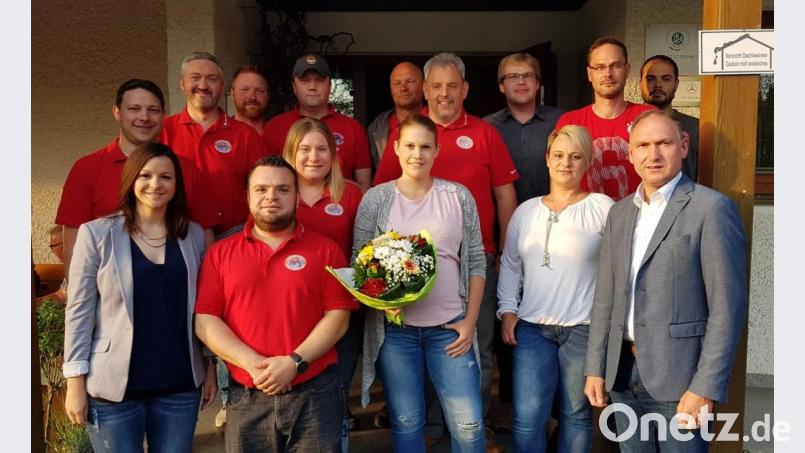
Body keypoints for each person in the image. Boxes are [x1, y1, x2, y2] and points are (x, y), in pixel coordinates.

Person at [373, 52, 519, 452]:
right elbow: (383, 199)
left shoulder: (486, 133)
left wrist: (503, 249)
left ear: (465, 89)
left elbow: (504, 193)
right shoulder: (406, 134)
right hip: (410, 273)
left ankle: (478, 426)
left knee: (474, 346)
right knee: (415, 354)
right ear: (425, 89)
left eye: (452, 86)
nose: (443, 94)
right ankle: (430, 426)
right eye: (435, 86)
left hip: (475, 260)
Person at [584, 110, 748, 452]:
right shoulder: (620, 212)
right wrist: (595, 367)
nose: (652, 154)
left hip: (682, 380)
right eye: (642, 145)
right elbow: (606, 297)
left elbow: (727, 309)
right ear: (630, 154)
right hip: (622, 375)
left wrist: (705, 386)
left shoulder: (712, 209)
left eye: (663, 143)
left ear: (683, 146)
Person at [194, 155, 358, 453]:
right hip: (247, 395)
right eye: (261, 189)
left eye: (283, 189)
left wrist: (294, 362)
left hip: (314, 393)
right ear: (247, 196)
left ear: (297, 197)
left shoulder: (327, 251)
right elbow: (206, 320)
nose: (272, 196)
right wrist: (253, 365)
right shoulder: (219, 254)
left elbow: (338, 317)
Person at [63, 143, 217, 451]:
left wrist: (210, 365)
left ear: (177, 185)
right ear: (131, 180)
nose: (155, 184)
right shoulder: (96, 234)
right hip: (113, 390)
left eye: (166, 177)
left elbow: (203, 309)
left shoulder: (194, 235)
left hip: (179, 385)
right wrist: (75, 383)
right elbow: (79, 312)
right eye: (145, 175)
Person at [357, 113, 486, 452]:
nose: (418, 154)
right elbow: (358, 266)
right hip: (396, 335)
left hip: (450, 329)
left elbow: (476, 260)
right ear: (396, 148)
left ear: (437, 151)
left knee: (469, 424)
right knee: (407, 422)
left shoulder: (458, 197)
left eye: (426, 147)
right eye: (410, 145)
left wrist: (470, 321)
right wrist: (383, 300)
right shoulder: (375, 200)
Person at [497, 125, 613, 453]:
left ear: (588, 162)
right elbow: (510, 265)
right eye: (559, 155)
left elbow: (619, 270)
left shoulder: (603, 208)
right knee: (527, 417)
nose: (566, 163)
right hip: (533, 328)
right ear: (547, 159)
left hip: (583, 329)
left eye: (576, 156)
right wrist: (507, 310)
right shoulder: (526, 211)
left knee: (575, 414)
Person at [56, 79, 220, 282]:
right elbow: (74, 250)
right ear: (117, 112)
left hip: (178, 296)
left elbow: (206, 238)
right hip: (113, 304)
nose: (144, 117)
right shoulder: (87, 169)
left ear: (163, 115)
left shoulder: (185, 169)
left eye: (153, 110)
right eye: (134, 109)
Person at [281, 117, 364, 447]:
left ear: (333, 154)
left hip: (341, 316)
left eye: (321, 149)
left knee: (335, 392)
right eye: (304, 149)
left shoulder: (352, 195)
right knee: (295, 388)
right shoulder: (279, 193)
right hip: (292, 312)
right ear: (291, 152)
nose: (313, 157)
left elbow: (367, 255)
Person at [161, 51, 267, 238]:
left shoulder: (245, 135)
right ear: (182, 84)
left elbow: (265, 187)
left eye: (211, 79)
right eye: (195, 78)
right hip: (176, 236)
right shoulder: (163, 131)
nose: (203, 86)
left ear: (222, 86)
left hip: (233, 235)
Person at [555, 37, 654, 201]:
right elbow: (559, 179)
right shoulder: (570, 121)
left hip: (639, 217)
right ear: (589, 73)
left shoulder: (649, 117)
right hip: (586, 220)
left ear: (627, 70)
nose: (608, 74)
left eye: (615, 66)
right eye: (600, 67)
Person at [264, 54, 373, 191]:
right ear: (294, 87)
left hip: (342, 209)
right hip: (291, 210)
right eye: (305, 80)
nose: (312, 87)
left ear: (330, 85)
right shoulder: (275, 127)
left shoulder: (353, 128)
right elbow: (265, 179)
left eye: (320, 80)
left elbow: (363, 185)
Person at [484, 52, 564, 203]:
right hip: (503, 220)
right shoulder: (488, 127)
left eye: (528, 75)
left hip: (554, 218)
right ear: (501, 86)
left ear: (537, 83)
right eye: (513, 76)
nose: (521, 82)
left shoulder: (561, 121)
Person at [639, 54, 698, 181]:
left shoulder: (696, 128)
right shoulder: (631, 126)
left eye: (666, 79)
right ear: (640, 83)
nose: (658, 85)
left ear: (676, 84)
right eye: (650, 79)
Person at [366, 61, 425, 171]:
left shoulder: (436, 122)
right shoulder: (376, 128)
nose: (403, 88)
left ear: (424, 86)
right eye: (397, 83)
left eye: (410, 81)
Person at [231, 64, 270, 135]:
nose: (252, 97)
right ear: (232, 93)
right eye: (245, 90)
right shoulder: (219, 135)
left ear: (268, 96)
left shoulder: (279, 134)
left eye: (259, 91)